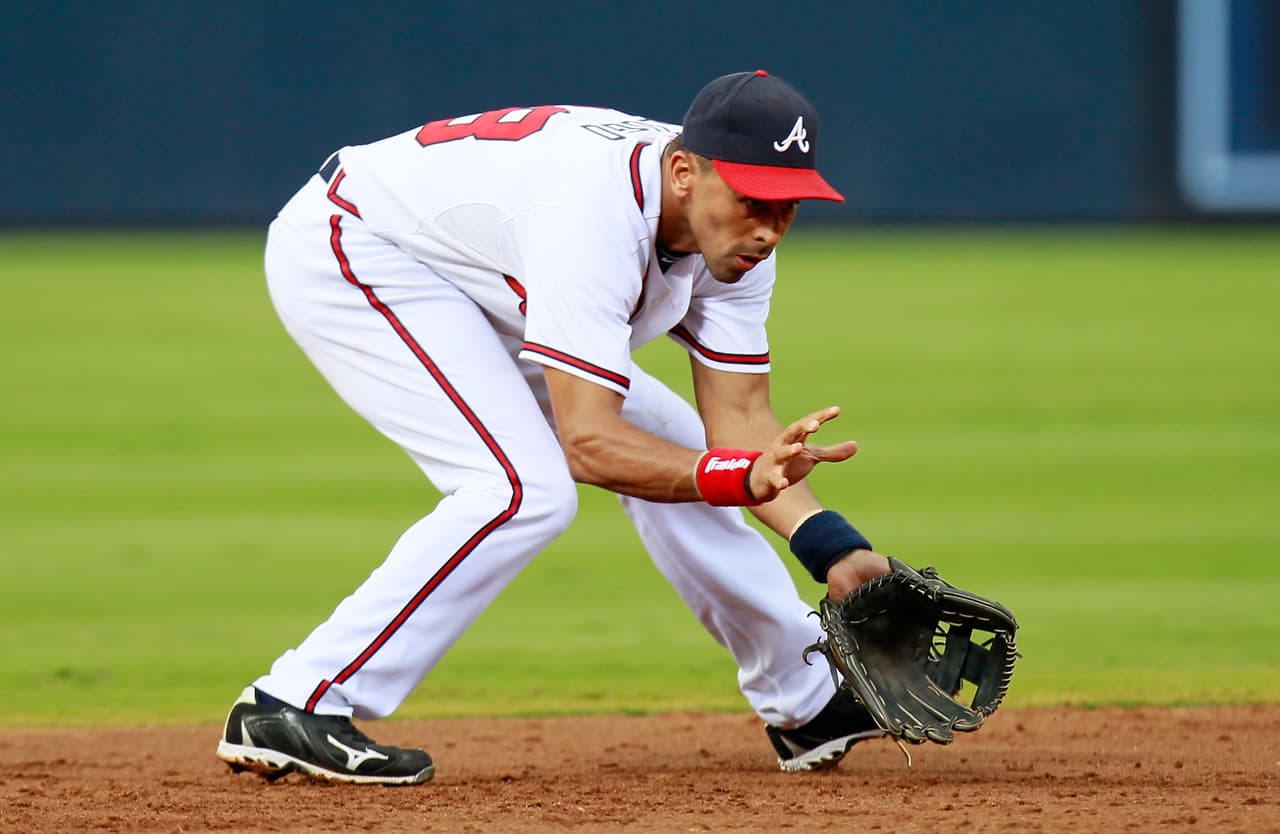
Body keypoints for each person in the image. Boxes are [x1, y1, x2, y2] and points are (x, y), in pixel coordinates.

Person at [216, 69, 893, 785]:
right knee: (520, 490)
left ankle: (807, 699)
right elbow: (591, 443)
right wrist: (731, 473)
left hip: (470, 272)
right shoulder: (592, 216)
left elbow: (742, 423)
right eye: (754, 198)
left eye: (790, 203)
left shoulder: (739, 238)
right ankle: (294, 699)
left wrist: (835, 550)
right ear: (685, 172)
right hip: (356, 246)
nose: (769, 224)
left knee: (684, 450)